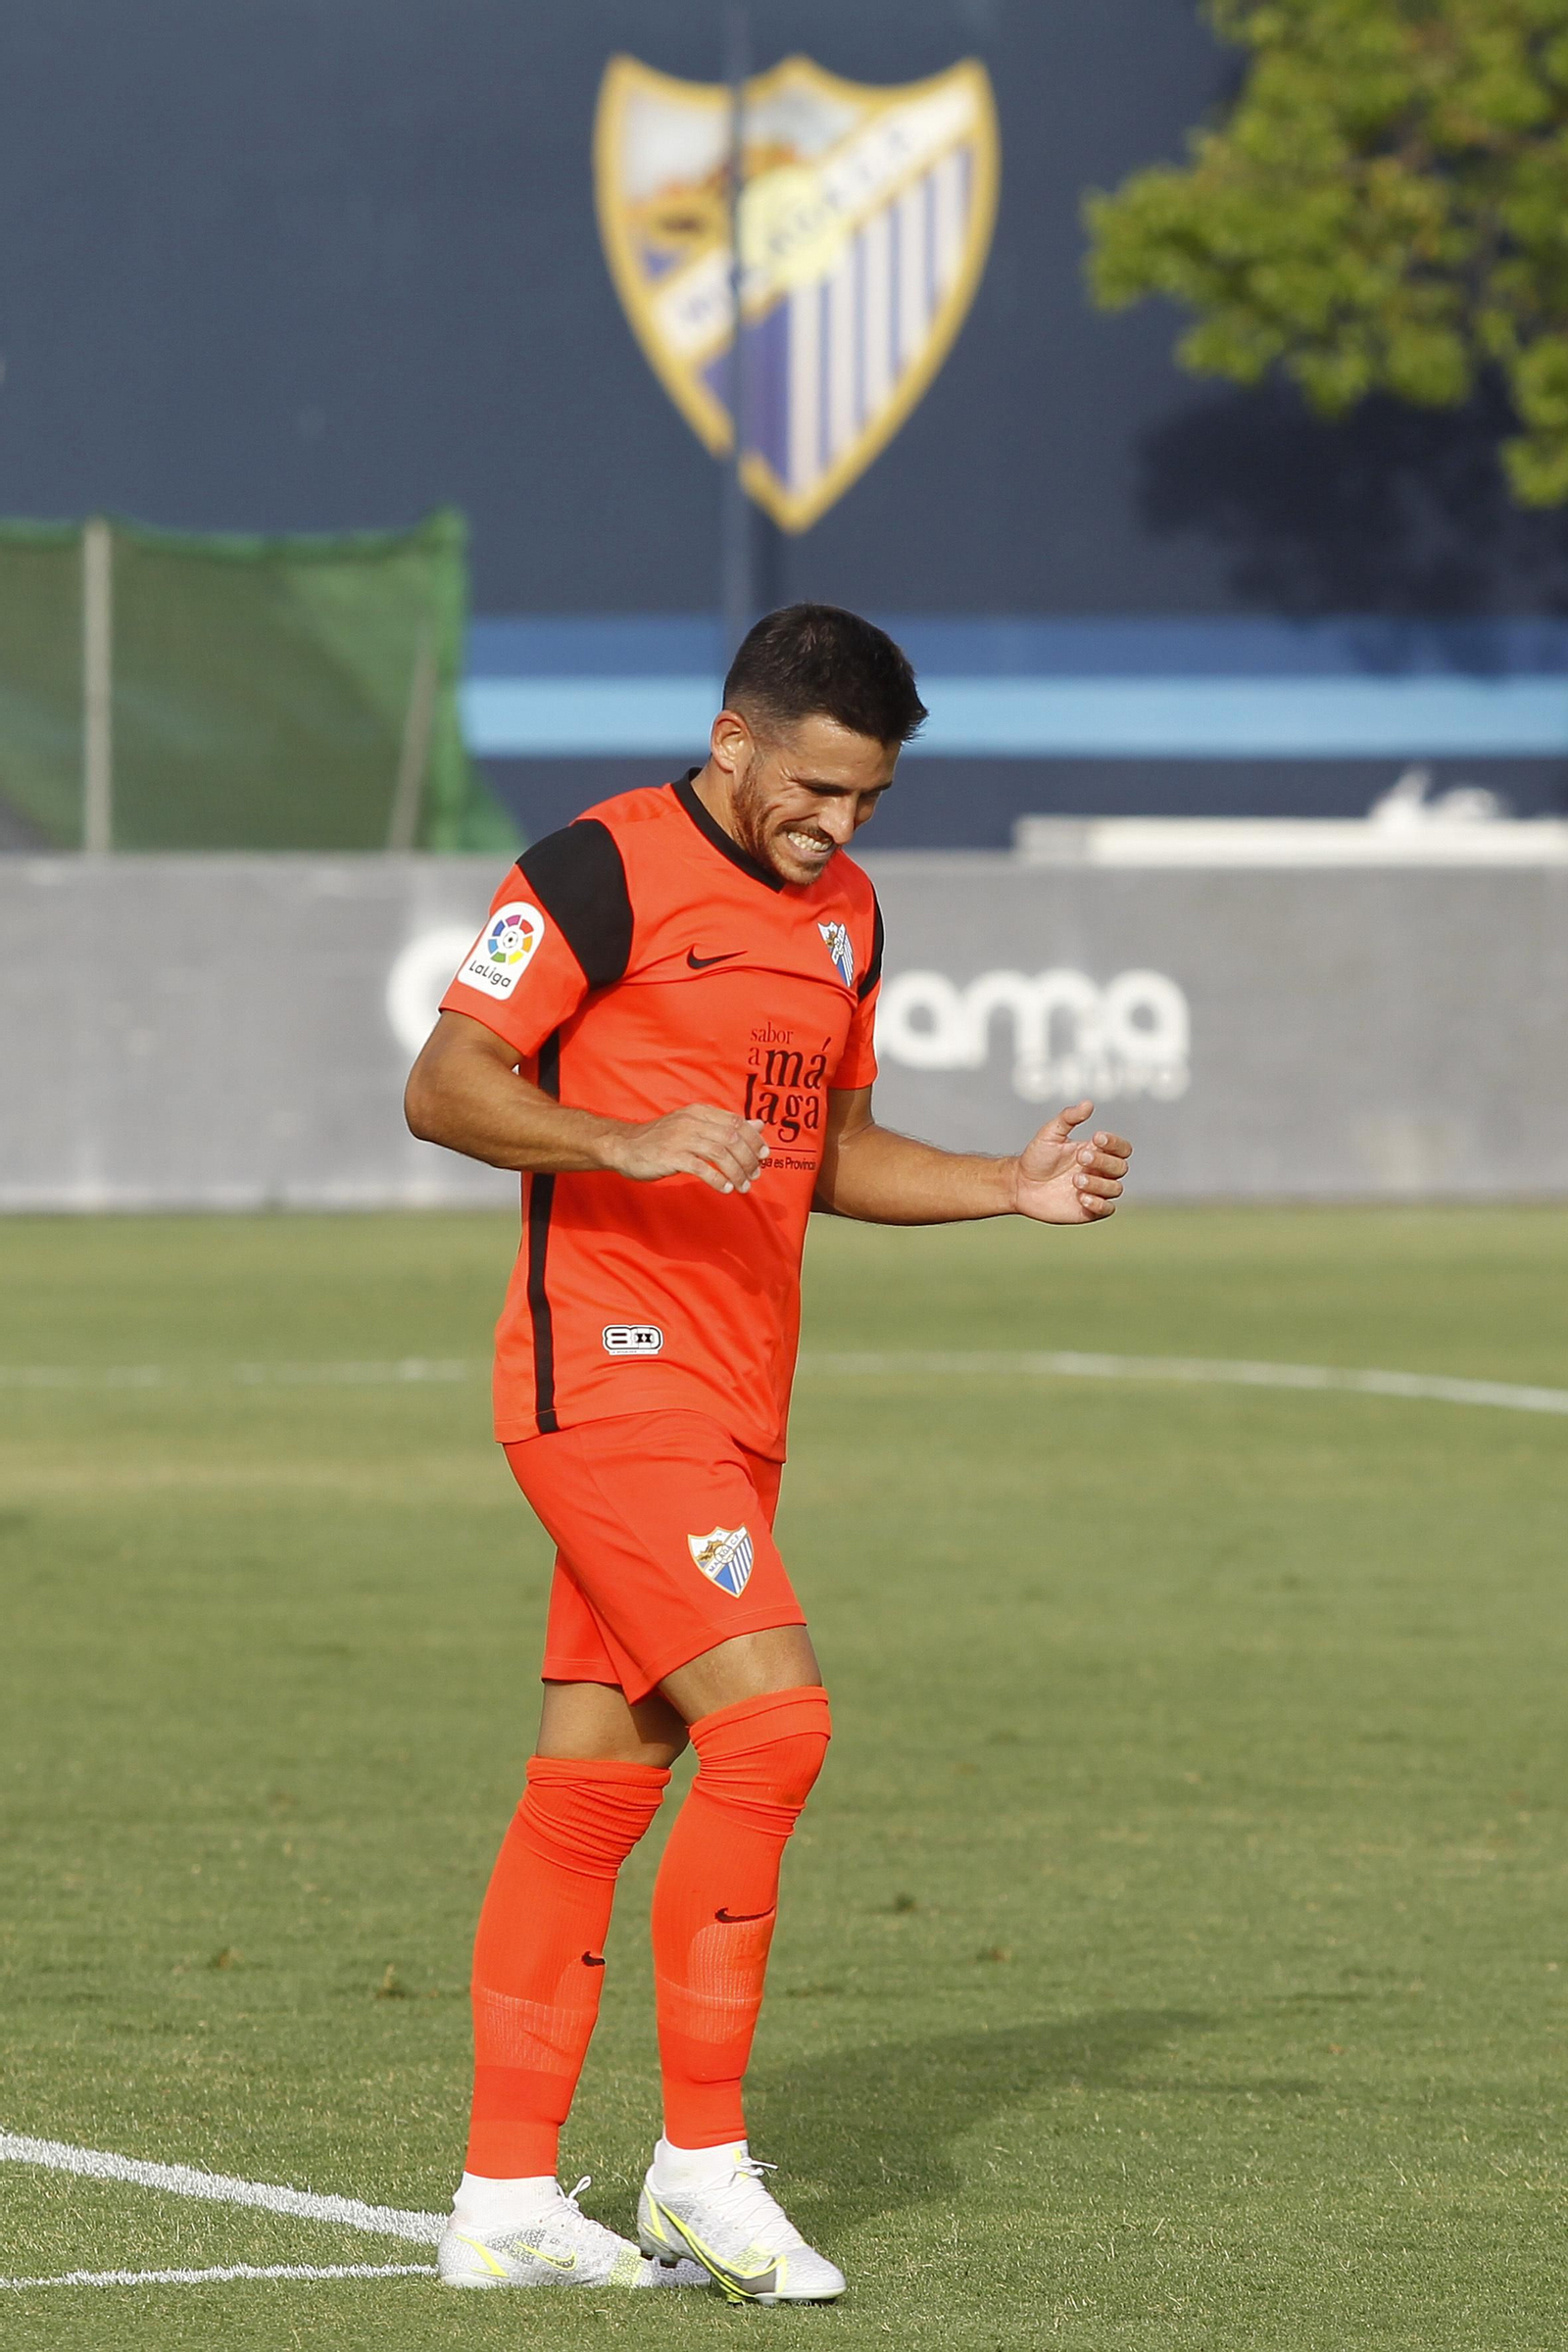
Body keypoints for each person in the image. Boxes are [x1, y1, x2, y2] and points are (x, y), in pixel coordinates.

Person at [404, 604, 1132, 2303]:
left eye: (868, 798)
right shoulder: (594, 870)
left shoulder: (850, 916)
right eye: (814, 788)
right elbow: (447, 1086)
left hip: (738, 1403)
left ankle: (504, 2201)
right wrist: (624, 1138)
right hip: (608, 1376)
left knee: (597, 1784)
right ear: (734, 736)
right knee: (777, 1727)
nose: (840, 826)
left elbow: (829, 1154)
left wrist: (1003, 1191)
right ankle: (700, 2170)